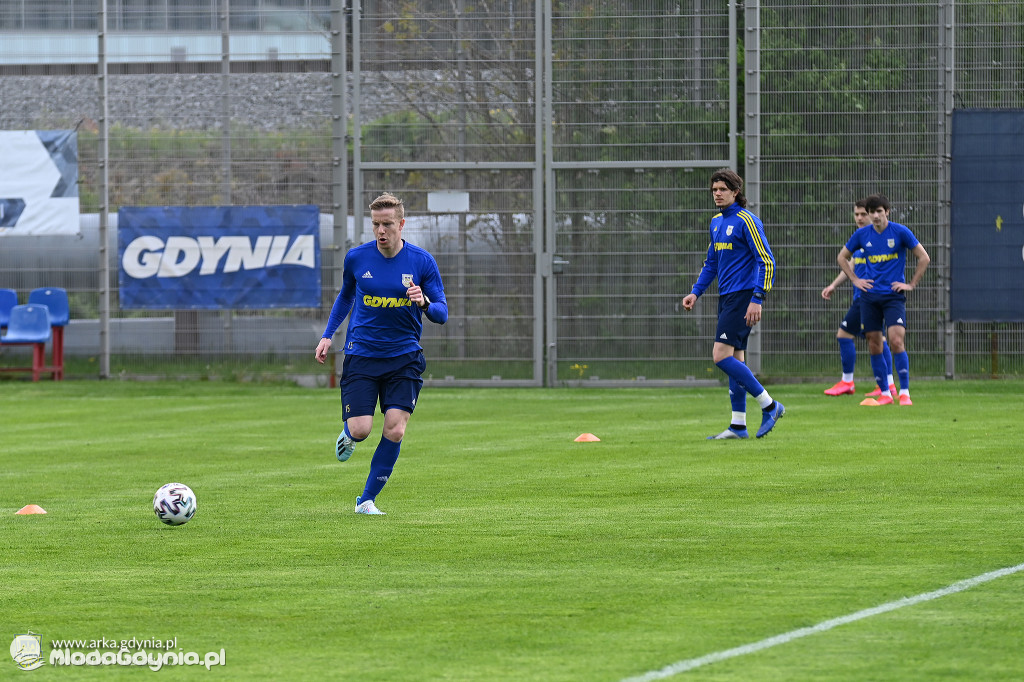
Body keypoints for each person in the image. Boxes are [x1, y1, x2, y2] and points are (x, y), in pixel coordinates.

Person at [315, 193, 448, 514]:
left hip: (404, 358)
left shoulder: (421, 262)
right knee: (361, 430)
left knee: (395, 428)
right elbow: (345, 297)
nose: (381, 231)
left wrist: (424, 302)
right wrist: (327, 335)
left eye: (387, 224)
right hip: (362, 354)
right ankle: (348, 434)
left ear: (401, 224)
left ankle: (366, 500)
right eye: (375, 224)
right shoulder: (357, 259)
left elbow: (442, 314)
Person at [682, 168, 785, 439]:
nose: (717, 194)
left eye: (722, 189)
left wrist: (757, 299)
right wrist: (696, 292)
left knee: (720, 356)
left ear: (735, 192)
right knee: (735, 358)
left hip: (743, 296)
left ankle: (770, 405)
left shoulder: (746, 220)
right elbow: (712, 263)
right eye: (714, 190)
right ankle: (738, 424)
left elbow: (766, 260)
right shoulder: (716, 223)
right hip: (727, 296)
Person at [837, 193, 930, 406]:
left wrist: (911, 284)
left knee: (896, 340)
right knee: (874, 344)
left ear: (887, 211)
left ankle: (904, 392)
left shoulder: (900, 232)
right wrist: (855, 280)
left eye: (879, 211)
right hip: (869, 297)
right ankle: (886, 394)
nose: (876, 216)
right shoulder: (862, 235)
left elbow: (924, 257)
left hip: (893, 297)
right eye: (872, 212)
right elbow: (842, 257)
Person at [821, 199, 896, 397]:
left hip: (870, 297)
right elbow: (851, 265)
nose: (860, 218)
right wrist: (834, 285)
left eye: (864, 214)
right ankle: (887, 384)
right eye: (857, 214)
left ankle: (853, 383)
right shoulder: (861, 239)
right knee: (876, 338)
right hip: (861, 298)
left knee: (848, 334)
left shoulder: (877, 239)